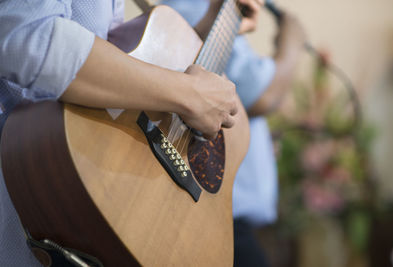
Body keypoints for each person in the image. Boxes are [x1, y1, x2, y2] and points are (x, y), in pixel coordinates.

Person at [0, 0, 262, 265]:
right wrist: (188, 93)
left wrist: (209, 29)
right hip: (31, 186)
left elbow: (109, 70)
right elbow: (28, 35)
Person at [161, 0, 306, 266]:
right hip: (216, 210)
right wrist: (292, 45)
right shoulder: (193, 5)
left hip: (231, 216)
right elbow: (262, 97)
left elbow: (231, 103)